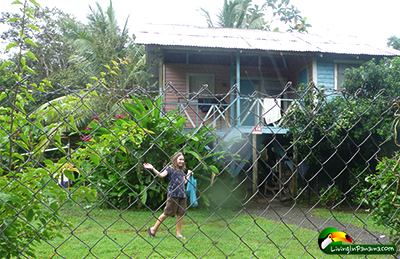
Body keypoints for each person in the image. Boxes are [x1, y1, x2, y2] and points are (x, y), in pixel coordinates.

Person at [143, 152, 193, 239]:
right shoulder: (170, 169)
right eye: (180, 159)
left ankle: (179, 234)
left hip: (182, 195)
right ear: (175, 159)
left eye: (183, 159)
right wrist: (152, 168)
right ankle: (153, 229)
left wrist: (188, 174)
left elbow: (184, 182)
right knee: (167, 213)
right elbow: (161, 175)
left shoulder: (181, 171)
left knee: (180, 214)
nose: (182, 161)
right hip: (173, 195)